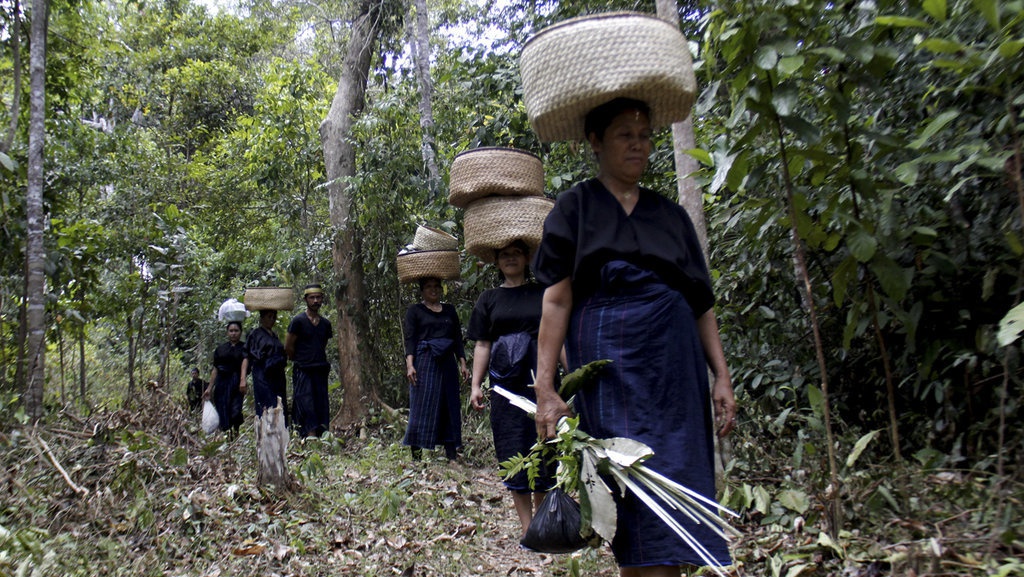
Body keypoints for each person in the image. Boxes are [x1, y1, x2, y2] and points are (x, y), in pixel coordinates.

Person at [531, 97, 737, 576]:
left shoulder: (671, 217)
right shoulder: (574, 208)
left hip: (674, 369)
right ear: (596, 142)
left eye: (645, 136)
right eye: (625, 134)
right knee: (632, 484)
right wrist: (546, 387)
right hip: (611, 367)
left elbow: (702, 304)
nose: (638, 145)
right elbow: (557, 301)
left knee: (677, 472)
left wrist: (721, 376)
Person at [468, 240, 555, 534]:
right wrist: (476, 385)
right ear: (496, 262)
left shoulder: (543, 293)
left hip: (540, 381)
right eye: (504, 255)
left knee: (544, 449)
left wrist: (571, 375)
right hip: (505, 387)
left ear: (527, 258)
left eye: (515, 254)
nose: (510, 259)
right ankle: (528, 527)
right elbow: (482, 344)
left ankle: (543, 525)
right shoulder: (488, 299)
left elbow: (558, 336)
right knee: (513, 449)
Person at [403, 276, 470, 461]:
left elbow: (457, 338)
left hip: (447, 362)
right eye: (428, 287)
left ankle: (451, 456)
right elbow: (410, 339)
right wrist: (410, 365)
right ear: (422, 290)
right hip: (424, 361)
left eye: (436, 286)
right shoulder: (415, 311)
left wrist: (463, 363)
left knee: (449, 405)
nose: (433, 290)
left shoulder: (449, 310)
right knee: (420, 407)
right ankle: (416, 457)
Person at [286, 284, 334, 437]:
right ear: (306, 299)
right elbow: (288, 346)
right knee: (304, 401)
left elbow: (322, 344)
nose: (315, 301)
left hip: (319, 369)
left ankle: (322, 434)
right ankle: (308, 434)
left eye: (318, 297)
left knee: (320, 402)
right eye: (312, 298)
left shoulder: (325, 324)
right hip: (303, 369)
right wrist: (300, 360)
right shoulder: (298, 321)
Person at [241, 309, 288, 423]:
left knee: (279, 404)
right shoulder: (255, 334)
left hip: (278, 376)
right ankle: (266, 434)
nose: (271, 320)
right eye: (269, 317)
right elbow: (246, 356)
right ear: (262, 318)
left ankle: (280, 435)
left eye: (273, 317)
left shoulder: (275, 336)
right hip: (262, 374)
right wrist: (243, 379)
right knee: (266, 404)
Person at [204, 321, 247, 439]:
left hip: (236, 382)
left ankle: (236, 433)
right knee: (223, 410)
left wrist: (243, 380)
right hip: (222, 382)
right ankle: (226, 438)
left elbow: (246, 364)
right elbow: (215, 369)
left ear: (240, 332)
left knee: (235, 410)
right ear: (227, 332)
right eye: (231, 331)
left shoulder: (244, 348)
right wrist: (209, 388)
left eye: (236, 331)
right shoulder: (220, 349)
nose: (233, 333)